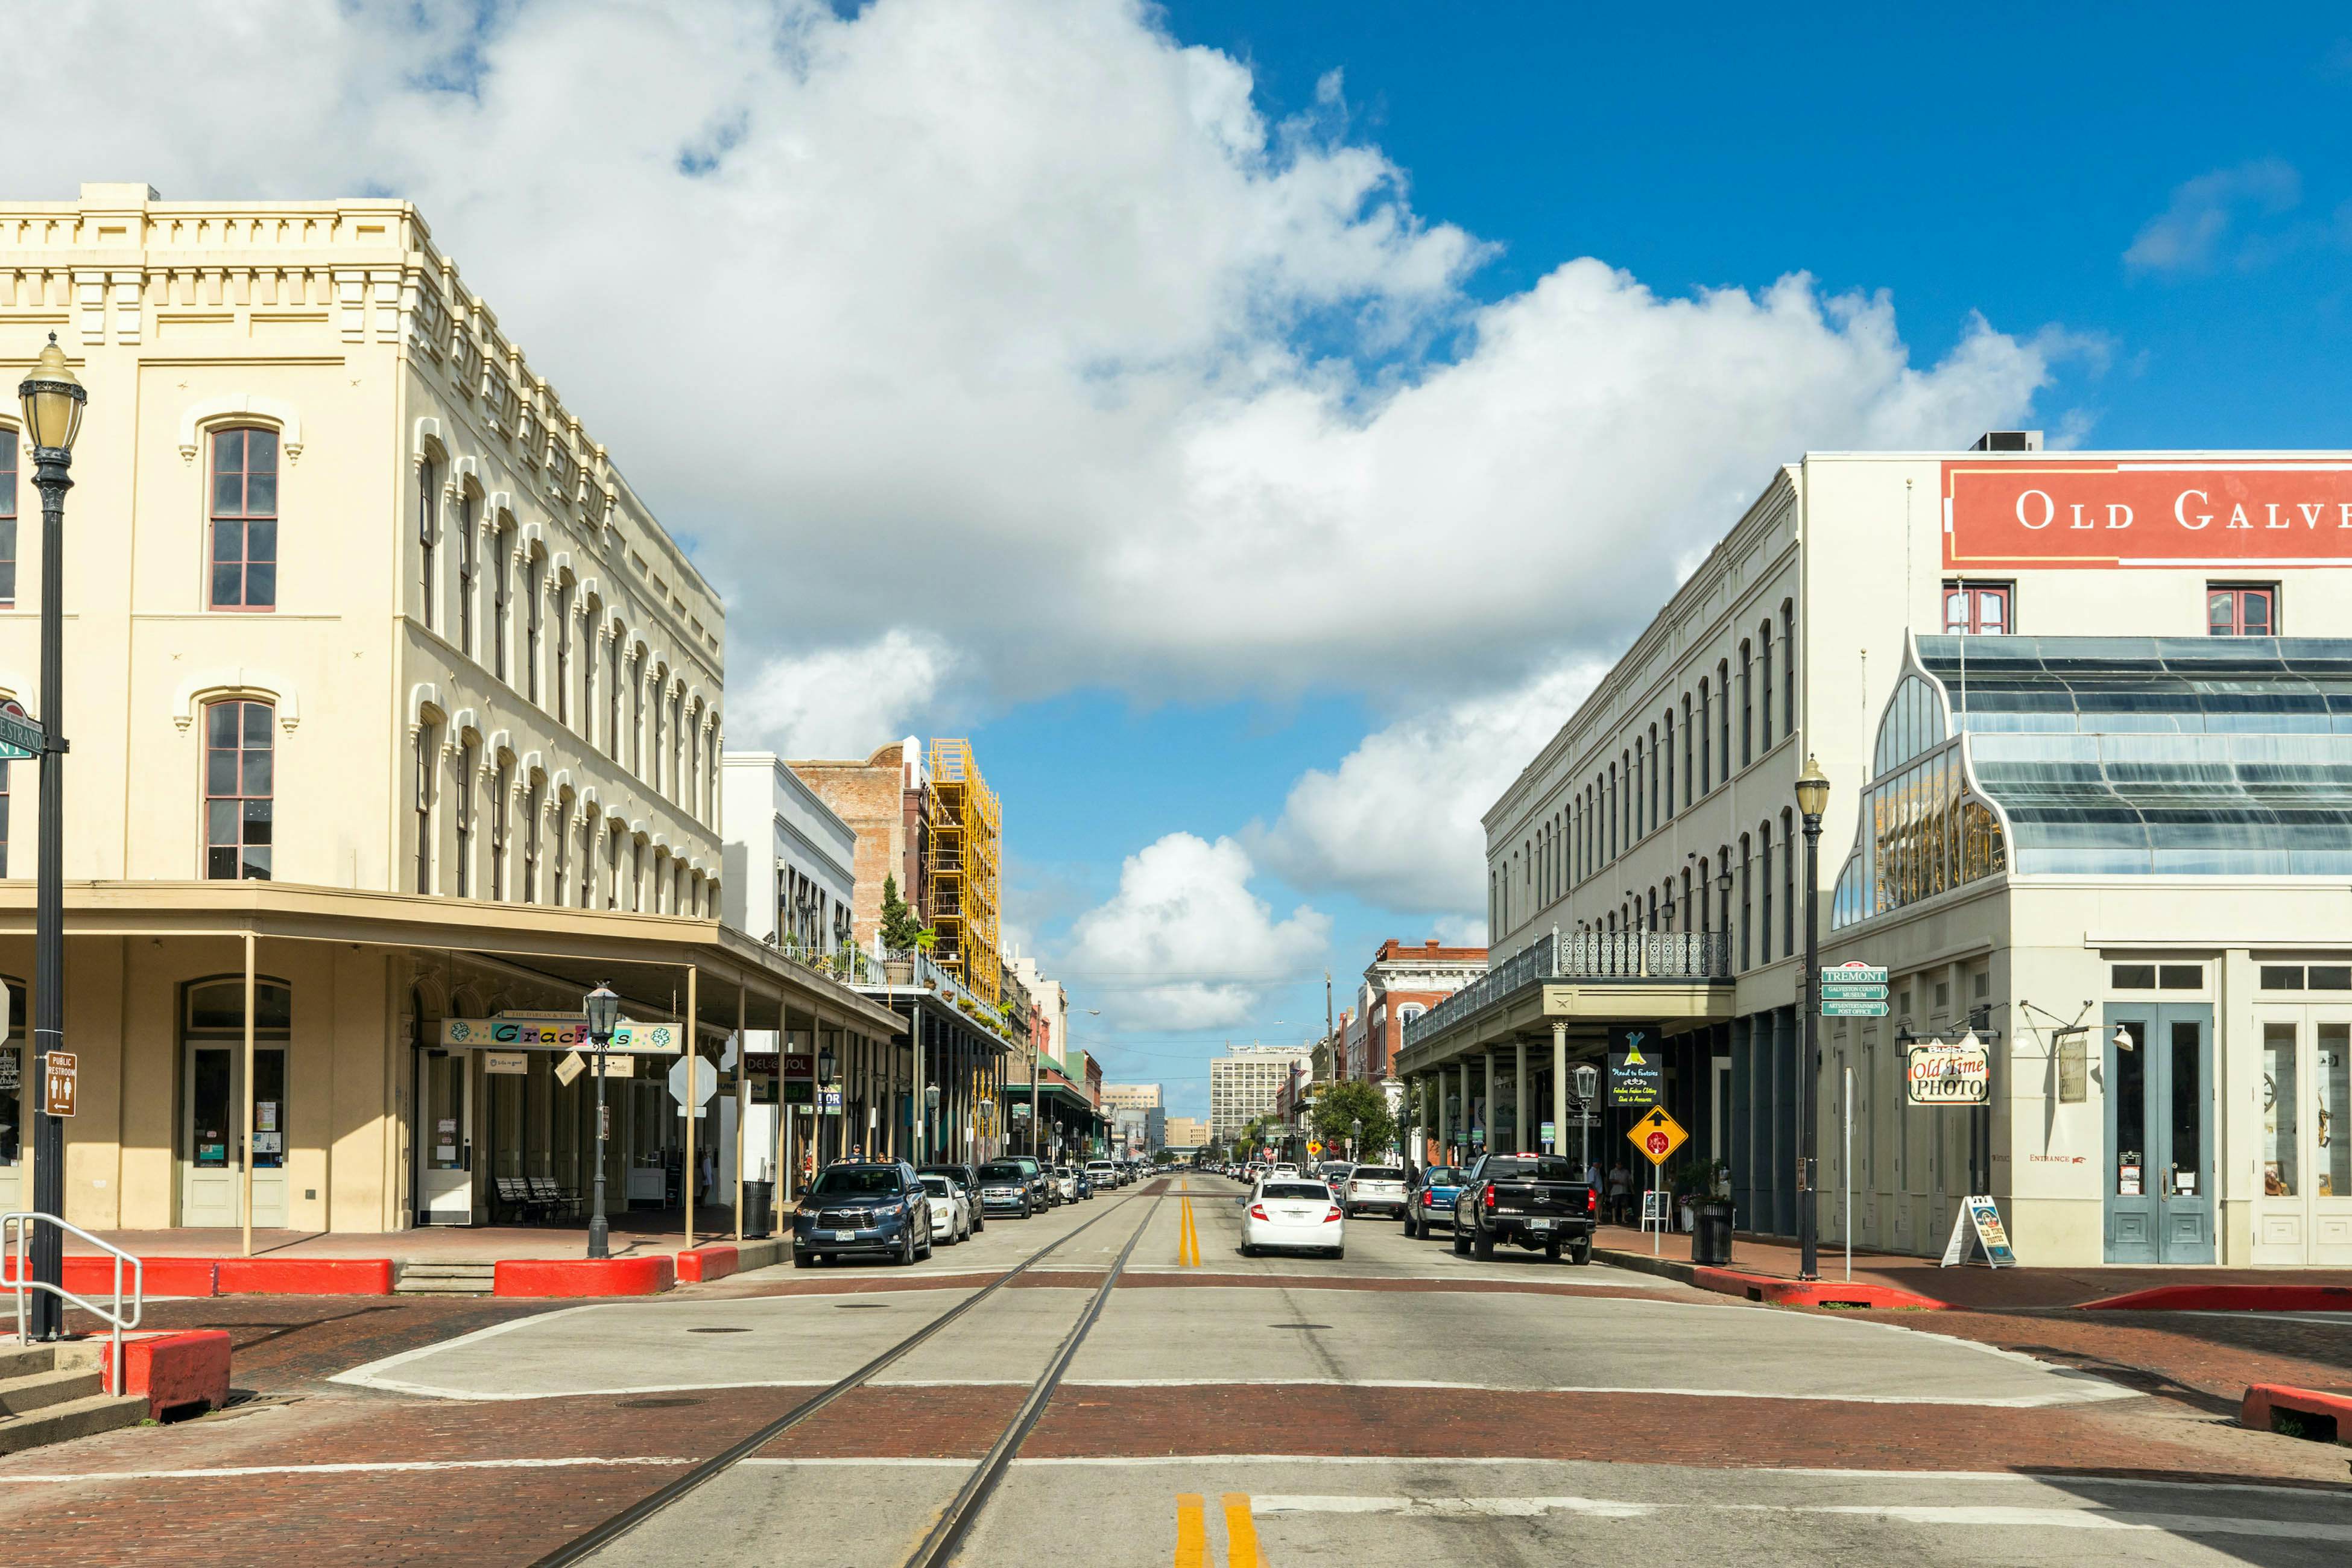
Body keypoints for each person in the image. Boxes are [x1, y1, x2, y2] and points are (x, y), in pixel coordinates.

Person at [1607, 1159, 1633, 1225]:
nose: (1619, 1165)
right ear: (1616, 1164)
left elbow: (1630, 1181)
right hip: (1615, 1191)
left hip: (1624, 1191)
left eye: (1620, 1164)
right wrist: (1618, 1182)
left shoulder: (1626, 1172)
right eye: (1618, 1164)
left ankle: (1623, 1219)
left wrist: (1632, 1190)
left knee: (1624, 1205)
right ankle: (1614, 1219)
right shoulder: (1613, 1171)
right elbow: (1610, 1180)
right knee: (1614, 1206)